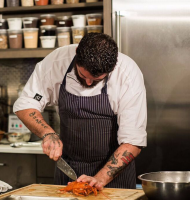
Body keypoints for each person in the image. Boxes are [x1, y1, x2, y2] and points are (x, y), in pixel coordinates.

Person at [13, 33, 147, 190]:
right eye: (83, 76)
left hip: (114, 176)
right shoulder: (56, 62)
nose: (89, 82)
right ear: (77, 53)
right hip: (69, 171)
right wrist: (48, 134)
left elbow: (133, 141)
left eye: (97, 80)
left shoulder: (127, 74)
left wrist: (100, 179)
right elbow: (26, 104)